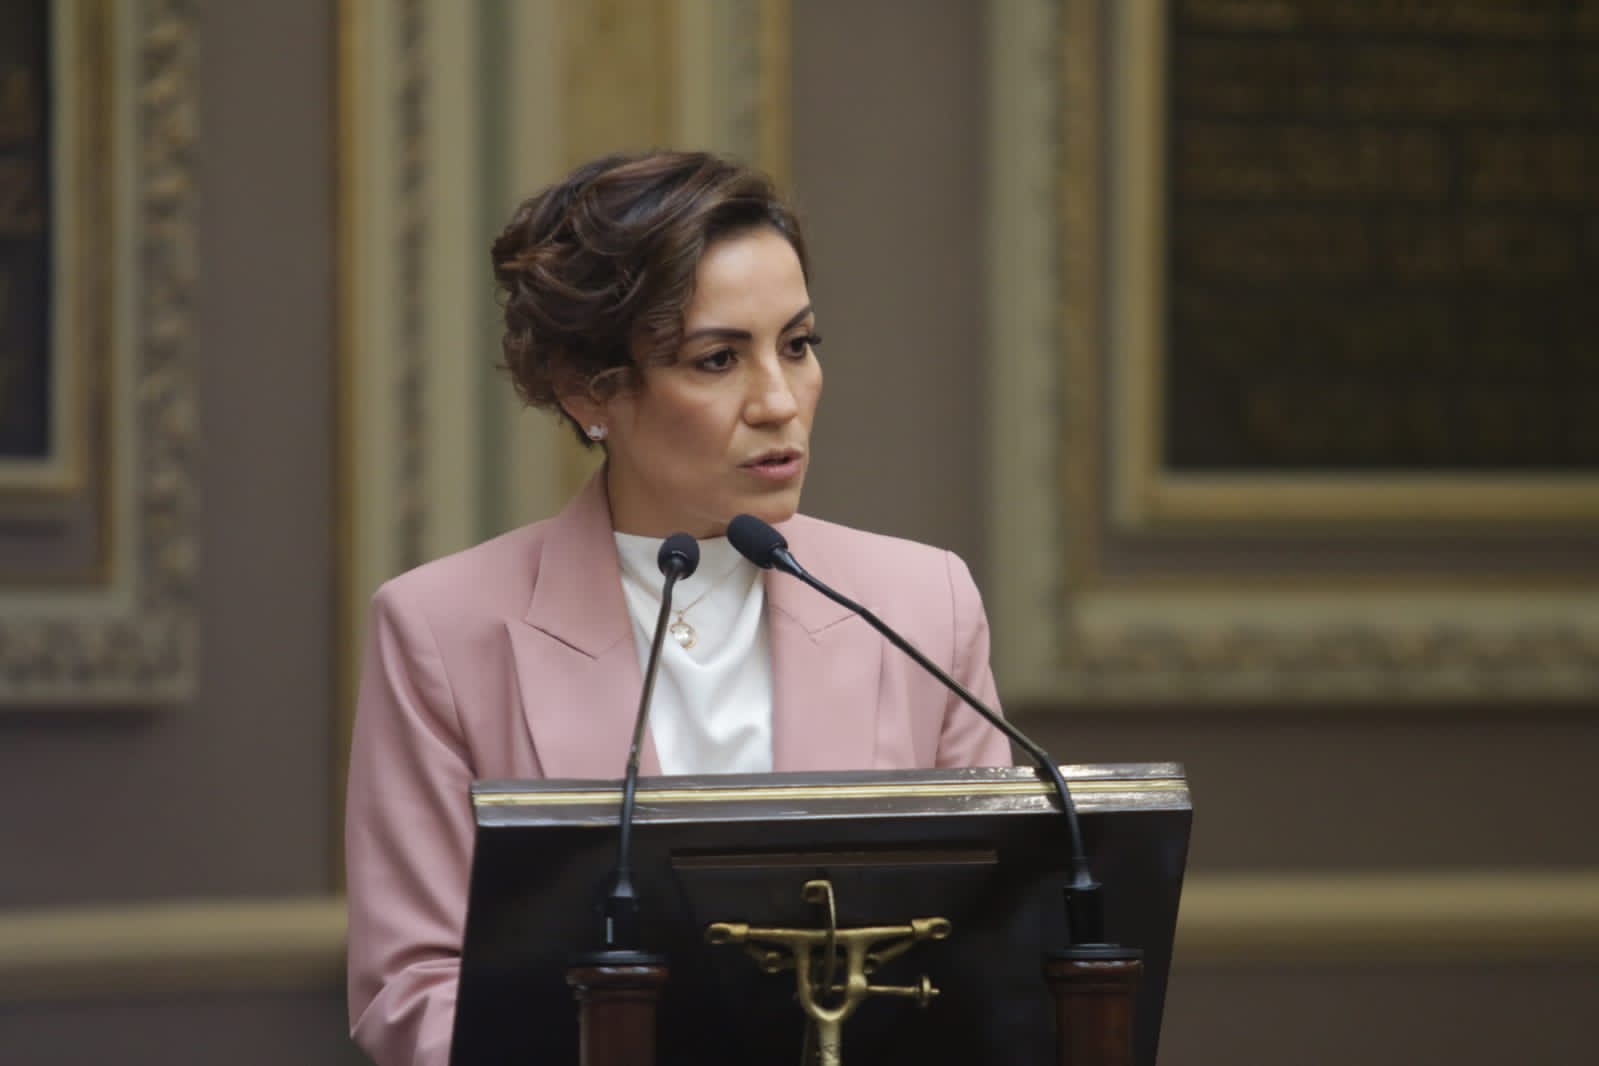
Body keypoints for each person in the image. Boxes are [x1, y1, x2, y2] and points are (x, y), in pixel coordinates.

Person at [343, 150, 1012, 1066]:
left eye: (797, 345)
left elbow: (985, 946)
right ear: (589, 389)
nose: (778, 401)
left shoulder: (924, 604)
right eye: (717, 359)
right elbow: (415, 986)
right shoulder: (440, 629)